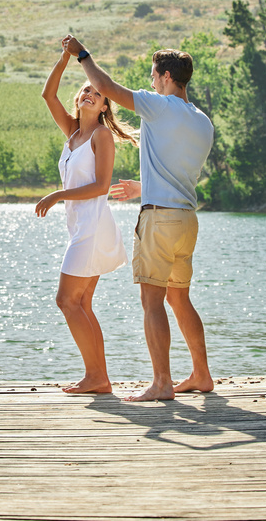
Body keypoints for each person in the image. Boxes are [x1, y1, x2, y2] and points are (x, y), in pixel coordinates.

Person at [62, 35, 215, 402]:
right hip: (185, 220)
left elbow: (106, 87)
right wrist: (143, 188)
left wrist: (82, 54)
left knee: (152, 302)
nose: (150, 82)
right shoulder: (202, 122)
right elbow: (176, 171)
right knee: (180, 299)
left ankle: (162, 383)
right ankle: (202, 374)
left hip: (158, 222)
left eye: (152, 76)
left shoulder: (161, 106)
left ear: (165, 77)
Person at [35, 44, 138, 394]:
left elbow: (101, 186)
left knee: (66, 300)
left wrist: (57, 194)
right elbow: (48, 95)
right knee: (81, 303)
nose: (89, 93)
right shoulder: (73, 133)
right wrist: (64, 60)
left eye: (96, 92)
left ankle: (97, 376)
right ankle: (99, 378)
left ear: (106, 104)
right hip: (80, 227)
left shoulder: (101, 135)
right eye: (85, 90)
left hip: (93, 227)